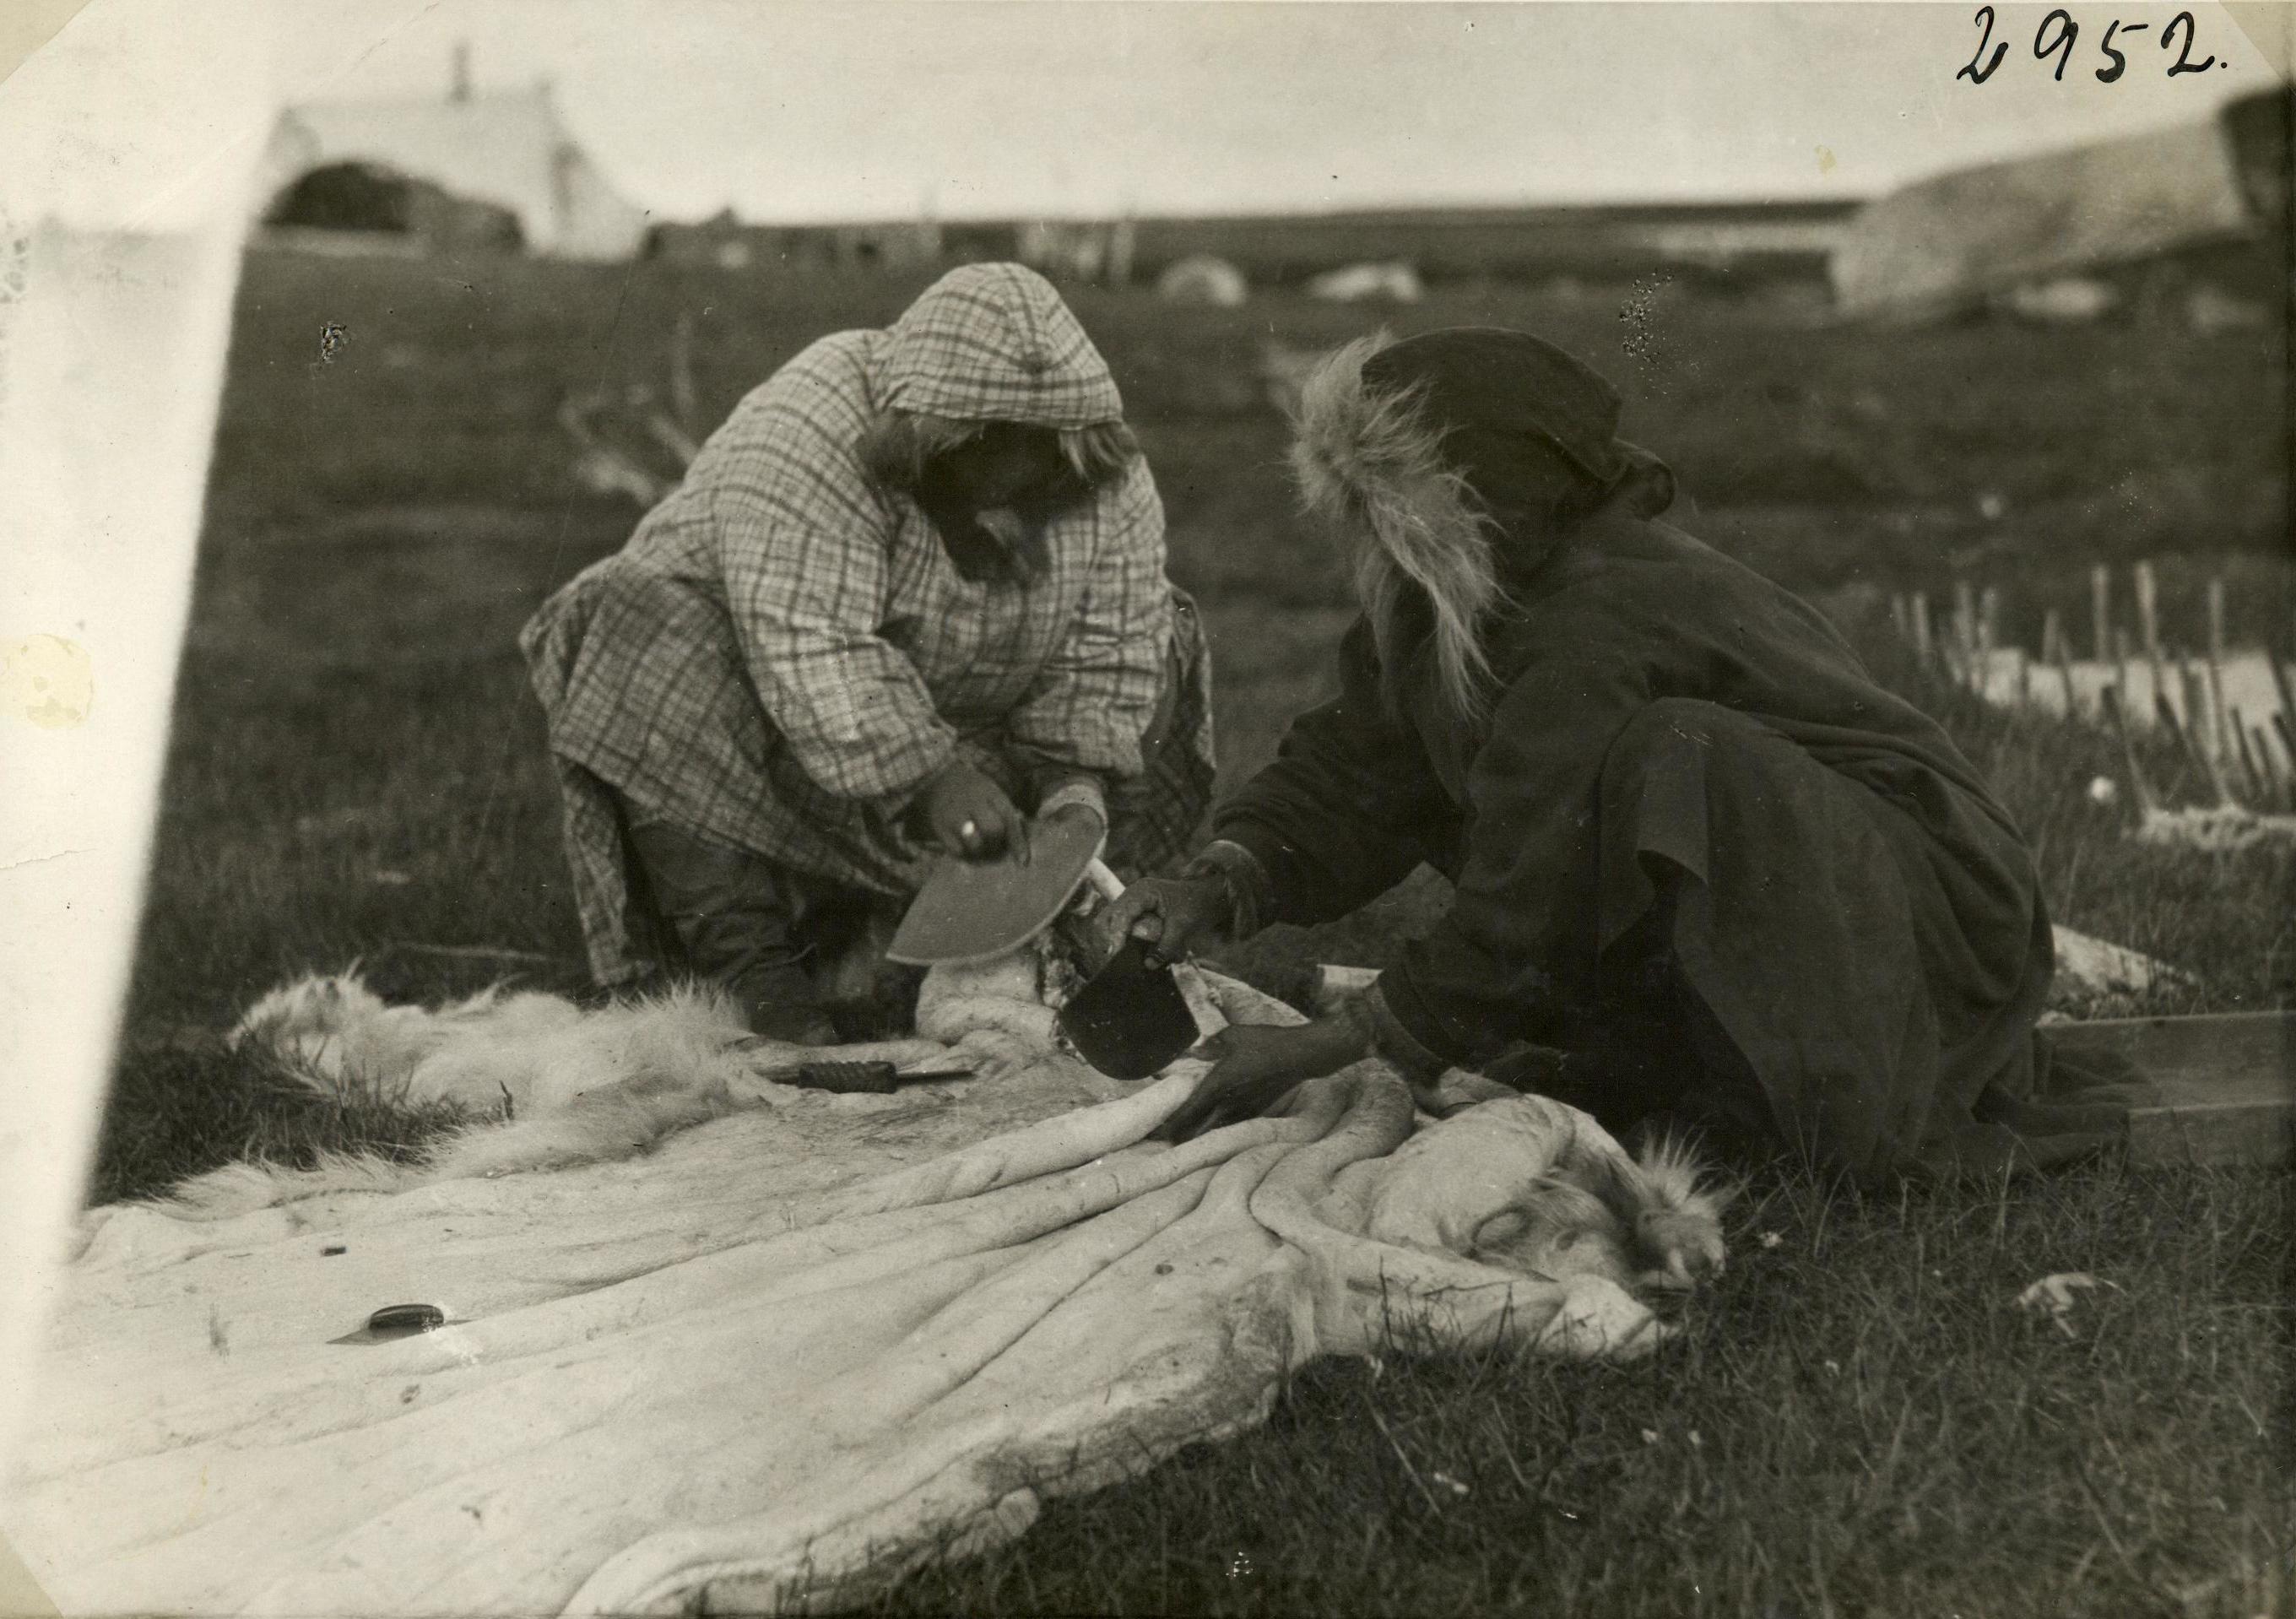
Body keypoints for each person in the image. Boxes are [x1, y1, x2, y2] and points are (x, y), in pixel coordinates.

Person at [1108, 327, 2140, 1183]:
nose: (1365, 545)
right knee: (1556, 764)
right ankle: (1705, 1060)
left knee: (1673, 756)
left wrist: (1324, 1048)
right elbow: (1352, 766)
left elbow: (1525, 896)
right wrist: (1219, 880)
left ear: (1466, 504)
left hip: (1930, 930)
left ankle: (1820, 1086)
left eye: (1382, 513)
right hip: (1828, 896)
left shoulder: (1596, 618)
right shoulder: (1467, 604)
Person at [523, 263, 1215, 1044]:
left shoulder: (1104, 472)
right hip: (758, 717)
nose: (1011, 483)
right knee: (638, 614)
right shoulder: (806, 428)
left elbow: (1112, 636)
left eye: (1038, 456)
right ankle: (757, 976)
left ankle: (947, 956)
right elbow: (809, 636)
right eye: (988, 456)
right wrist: (929, 776)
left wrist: (1074, 782)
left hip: (940, 714)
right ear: (942, 436)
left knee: (1170, 625)